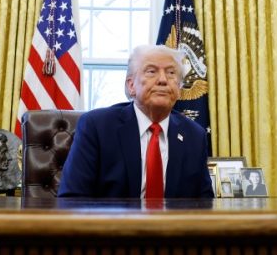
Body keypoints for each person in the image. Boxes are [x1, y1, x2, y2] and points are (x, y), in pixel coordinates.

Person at [58, 45, 214, 198]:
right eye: (151, 71)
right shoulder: (97, 127)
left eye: (171, 73)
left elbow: (204, 203)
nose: (163, 80)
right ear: (131, 85)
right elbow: (72, 198)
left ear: (179, 89)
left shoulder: (194, 135)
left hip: (173, 224)